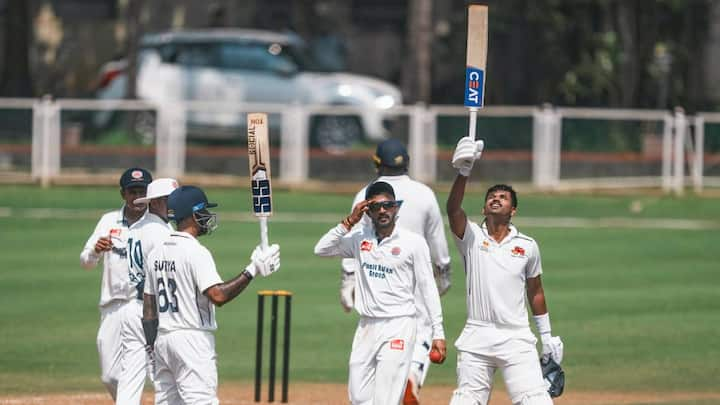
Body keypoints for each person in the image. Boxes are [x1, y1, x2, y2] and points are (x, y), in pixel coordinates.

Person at [446, 137, 564, 405]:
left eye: (503, 197)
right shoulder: (471, 237)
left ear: (514, 210)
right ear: (484, 208)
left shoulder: (527, 246)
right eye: (491, 197)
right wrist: (464, 171)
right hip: (477, 335)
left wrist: (546, 337)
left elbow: (535, 292)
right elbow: (452, 209)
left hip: (516, 337)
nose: (496, 199)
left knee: (536, 402)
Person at [142, 185, 281, 404]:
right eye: (203, 211)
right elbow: (218, 296)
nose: (207, 217)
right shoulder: (196, 252)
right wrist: (252, 269)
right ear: (192, 215)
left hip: (163, 340)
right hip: (192, 339)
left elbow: (149, 309)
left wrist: (151, 348)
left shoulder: (156, 252)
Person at [339, 138, 452, 405]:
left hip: (376, 274)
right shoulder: (425, 194)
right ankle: (411, 376)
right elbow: (438, 242)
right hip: (415, 273)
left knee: (378, 336)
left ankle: (384, 385)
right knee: (421, 330)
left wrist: (348, 280)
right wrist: (444, 274)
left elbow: (354, 238)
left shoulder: (365, 194)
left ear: (378, 164)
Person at [315, 181, 447, 405]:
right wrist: (349, 222)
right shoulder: (359, 239)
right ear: (368, 211)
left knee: (386, 398)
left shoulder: (413, 243)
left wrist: (438, 332)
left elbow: (428, 288)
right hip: (367, 325)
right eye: (376, 207)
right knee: (358, 397)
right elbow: (321, 249)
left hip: (399, 325)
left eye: (388, 205)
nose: (383, 211)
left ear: (396, 207)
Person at [80, 167, 152, 400]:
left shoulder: (158, 225)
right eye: (133, 192)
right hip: (111, 308)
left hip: (141, 307)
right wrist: (94, 251)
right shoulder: (108, 221)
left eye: (142, 192)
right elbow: (86, 262)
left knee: (154, 372)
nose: (137, 197)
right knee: (110, 376)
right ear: (123, 194)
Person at [116, 178, 179, 404]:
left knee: (130, 377)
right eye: (172, 200)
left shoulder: (135, 228)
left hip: (132, 309)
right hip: (153, 313)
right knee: (165, 378)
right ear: (158, 201)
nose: (176, 204)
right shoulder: (161, 233)